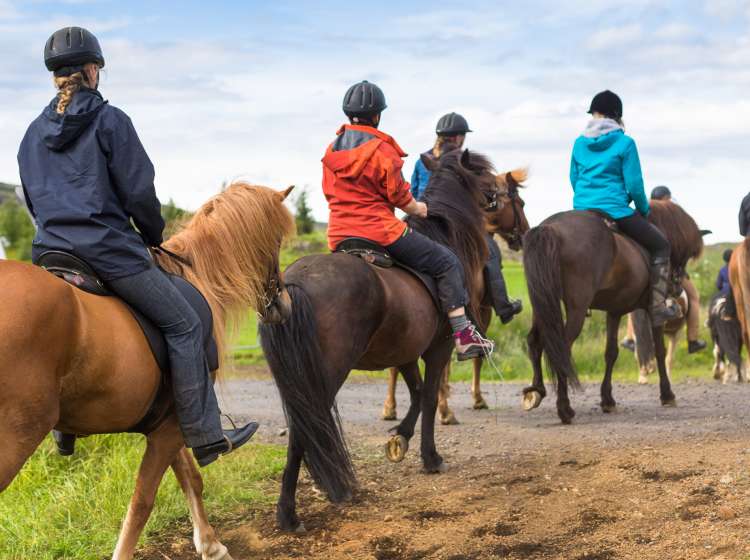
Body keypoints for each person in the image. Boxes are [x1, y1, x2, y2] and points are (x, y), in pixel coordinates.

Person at [17, 27, 257, 466]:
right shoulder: (111, 121)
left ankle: (65, 432)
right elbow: (139, 192)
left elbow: (33, 199)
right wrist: (151, 236)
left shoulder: (32, 134)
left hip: (50, 255)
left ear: (56, 76)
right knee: (184, 323)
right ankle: (206, 435)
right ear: (93, 70)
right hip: (107, 253)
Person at [322, 81, 494, 360]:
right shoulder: (382, 149)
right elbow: (398, 195)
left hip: (339, 234)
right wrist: (419, 209)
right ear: (377, 115)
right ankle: (464, 336)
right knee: (447, 262)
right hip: (380, 232)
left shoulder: (332, 151)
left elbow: (329, 192)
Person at [570, 90, 680, 326]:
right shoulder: (625, 142)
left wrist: (584, 201)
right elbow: (635, 185)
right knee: (662, 245)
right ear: (617, 115)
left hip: (582, 211)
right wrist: (643, 209)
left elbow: (574, 179)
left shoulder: (579, 143)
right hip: (616, 210)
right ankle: (659, 307)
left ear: (595, 114)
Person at [412, 113, 522, 324]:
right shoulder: (463, 160)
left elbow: (414, 191)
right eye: (463, 136)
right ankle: (503, 305)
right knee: (490, 252)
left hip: (422, 220)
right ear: (458, 137)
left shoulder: (422, 160)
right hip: (454, 223)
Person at [647, 185, 707, 352]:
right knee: (694, 297)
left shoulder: (646, 212)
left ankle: (629, 337)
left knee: (634, 298)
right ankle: (693, 339)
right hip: (670, 269)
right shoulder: (673, 215)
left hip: (648, 266)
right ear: (667, 198)